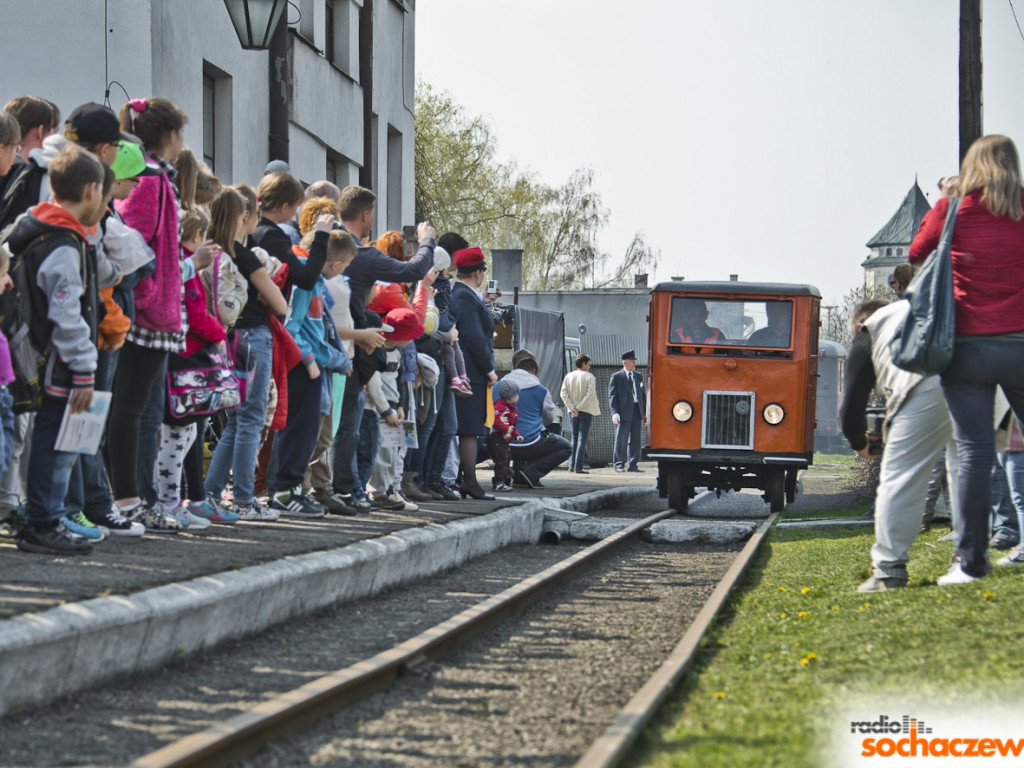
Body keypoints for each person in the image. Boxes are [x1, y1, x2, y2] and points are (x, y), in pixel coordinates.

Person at [908, 135, 1024, 585]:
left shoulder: (955, 207)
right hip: (1020, 343)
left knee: (974, 453)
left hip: (969, 347)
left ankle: (971, 564)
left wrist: (944, 199)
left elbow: (918, 253)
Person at [6, 145, 108, 555]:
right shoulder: (62, 244)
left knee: (50, 439)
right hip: (59, 362)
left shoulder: (36, 227)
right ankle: (43, 522)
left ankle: (40, 517)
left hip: (40, 354)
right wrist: (84, 368)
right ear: (90, 190)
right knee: (57, 442)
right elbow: (66, 312)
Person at [840, 299, 958, 592]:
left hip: (924, 379)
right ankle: (968, 559)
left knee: (901, 474)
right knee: (965, 467)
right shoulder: (919, 306)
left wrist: (860, 443)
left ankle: (888, 569)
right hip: (978, 366)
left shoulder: (871, 329)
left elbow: (850, 406)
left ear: (858, 326)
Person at [195, 188, 289, 522]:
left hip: (223, 340)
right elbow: (280, 304)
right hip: (254, 340)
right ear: (243, 216)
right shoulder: (244, 256)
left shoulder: (210, 252)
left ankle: (210, 492)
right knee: (250, 419)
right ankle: (245, 500)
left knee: (235, 421)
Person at [269, 216, 353, 518]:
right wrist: (308, 359)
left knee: (308, 434)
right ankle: (285, 492)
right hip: (305, 367)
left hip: (314, 365)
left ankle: (292, 491)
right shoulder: (306, 283)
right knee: (300, 432)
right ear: (334, 265)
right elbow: (292, 326)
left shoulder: (314, 281)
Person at [449, 246, 498, 500]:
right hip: (471, 372)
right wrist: (490, 369)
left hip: (465, 370)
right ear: (478, 274)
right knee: (469, 430)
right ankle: (469, 480)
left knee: (466, 429)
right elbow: (475, 337)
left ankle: (462, 480)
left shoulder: (462, 295)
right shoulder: (464, 297)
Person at [501, 348, 572, 488]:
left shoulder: (499, 386)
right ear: (532, 368)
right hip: (530, 444)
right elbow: (550, 418)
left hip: (503, 443)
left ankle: (507, 473)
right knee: (566, 447)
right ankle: (531, 472)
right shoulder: (541, 390)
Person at [560, 353, 600, 473]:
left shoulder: (568, 376)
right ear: (583, 364)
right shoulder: (589, 377)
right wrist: (578, 407)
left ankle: (571, 465)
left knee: (574, 437)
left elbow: (563, 394)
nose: (589, 366)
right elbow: (589, 394)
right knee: (582, 438)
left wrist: (572, 408)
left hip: (572, 412)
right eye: (588, 364)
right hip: (586, 410)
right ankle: (579, 466)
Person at [609, 349, 645, 472]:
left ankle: (633, 464)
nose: (634, 364)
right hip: (623, 411)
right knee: (621, 438)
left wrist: (644, 412)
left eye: (634, 361)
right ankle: (618, 464)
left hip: (636, 409)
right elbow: (612, 396)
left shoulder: (638, 376)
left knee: (635, 439)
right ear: (625, 363)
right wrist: (614, 412)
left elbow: (642, 395)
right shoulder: (617, 377)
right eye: (632, 361)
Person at [488, 379, 521, 491]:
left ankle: (504, 480)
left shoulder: (512, 409)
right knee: (501, 460)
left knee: (506, 459)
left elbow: (512, 426)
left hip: (505, 440)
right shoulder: (501, 407)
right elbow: (496, 421)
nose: (518, 397)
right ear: (509, 397)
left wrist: (516, 435)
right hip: (498, 439)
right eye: (517, 395)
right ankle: (498, 482)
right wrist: (507, 429)